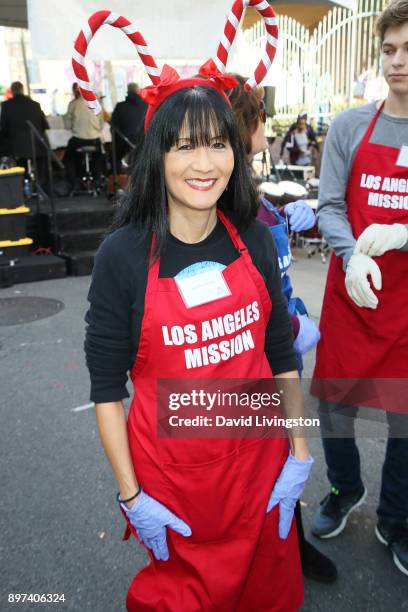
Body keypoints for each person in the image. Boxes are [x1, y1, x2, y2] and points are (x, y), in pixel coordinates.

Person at [85, 58, 315, 608]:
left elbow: (281, 355)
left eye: (218, 143)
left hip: (262, 468)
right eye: (184, 146)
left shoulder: (256, 241)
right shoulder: (122, 256)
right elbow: (106, 391)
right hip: (176, 484)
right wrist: (132, 496)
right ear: (156, 158)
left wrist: (299, 454)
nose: (205, 163)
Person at [311, 0, 408, 576]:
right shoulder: (350, 126)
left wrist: (403, 232)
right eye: (390, 50)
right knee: (334, 409)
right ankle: (345, 490)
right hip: (353, 296)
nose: (399, 62)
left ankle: (397, 517)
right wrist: (350, 257)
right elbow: (327, 207)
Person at [228, 74, 337, 584]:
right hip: (252, 360)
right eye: (258, 118)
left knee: (284, 458)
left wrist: (287, 222)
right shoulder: (222, 195)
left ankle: (288, 546)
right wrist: (289, 323)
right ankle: (263, 554)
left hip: (279, 350)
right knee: (258, 463)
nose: (265, 127)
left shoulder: (248, 185)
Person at [0, 81, 49, 184]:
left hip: (15, 148)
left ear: (12, 92)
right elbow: (45, 126)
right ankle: (40, 185)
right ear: (22, 90)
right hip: (36, 147)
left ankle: (17, 184)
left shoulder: (6, 106)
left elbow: (3, 129)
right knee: (43, 158)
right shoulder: (35, 105)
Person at [64, 82, 105, 189]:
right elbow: (101, 125)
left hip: (79, 140)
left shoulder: (73, 104)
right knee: (99, 156)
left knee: (69, 157)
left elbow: (67, 126)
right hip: (94, 140)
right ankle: (97, 179)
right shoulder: (96, 103)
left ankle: (75, 180)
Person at [110, 82, 148, 171]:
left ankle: (118, 176)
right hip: (143, 144)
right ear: (139, 92)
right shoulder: (146, 106)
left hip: (125, 144)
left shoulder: (120, 106)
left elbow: (113, 128)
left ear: (127, 93)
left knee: (113, 154)